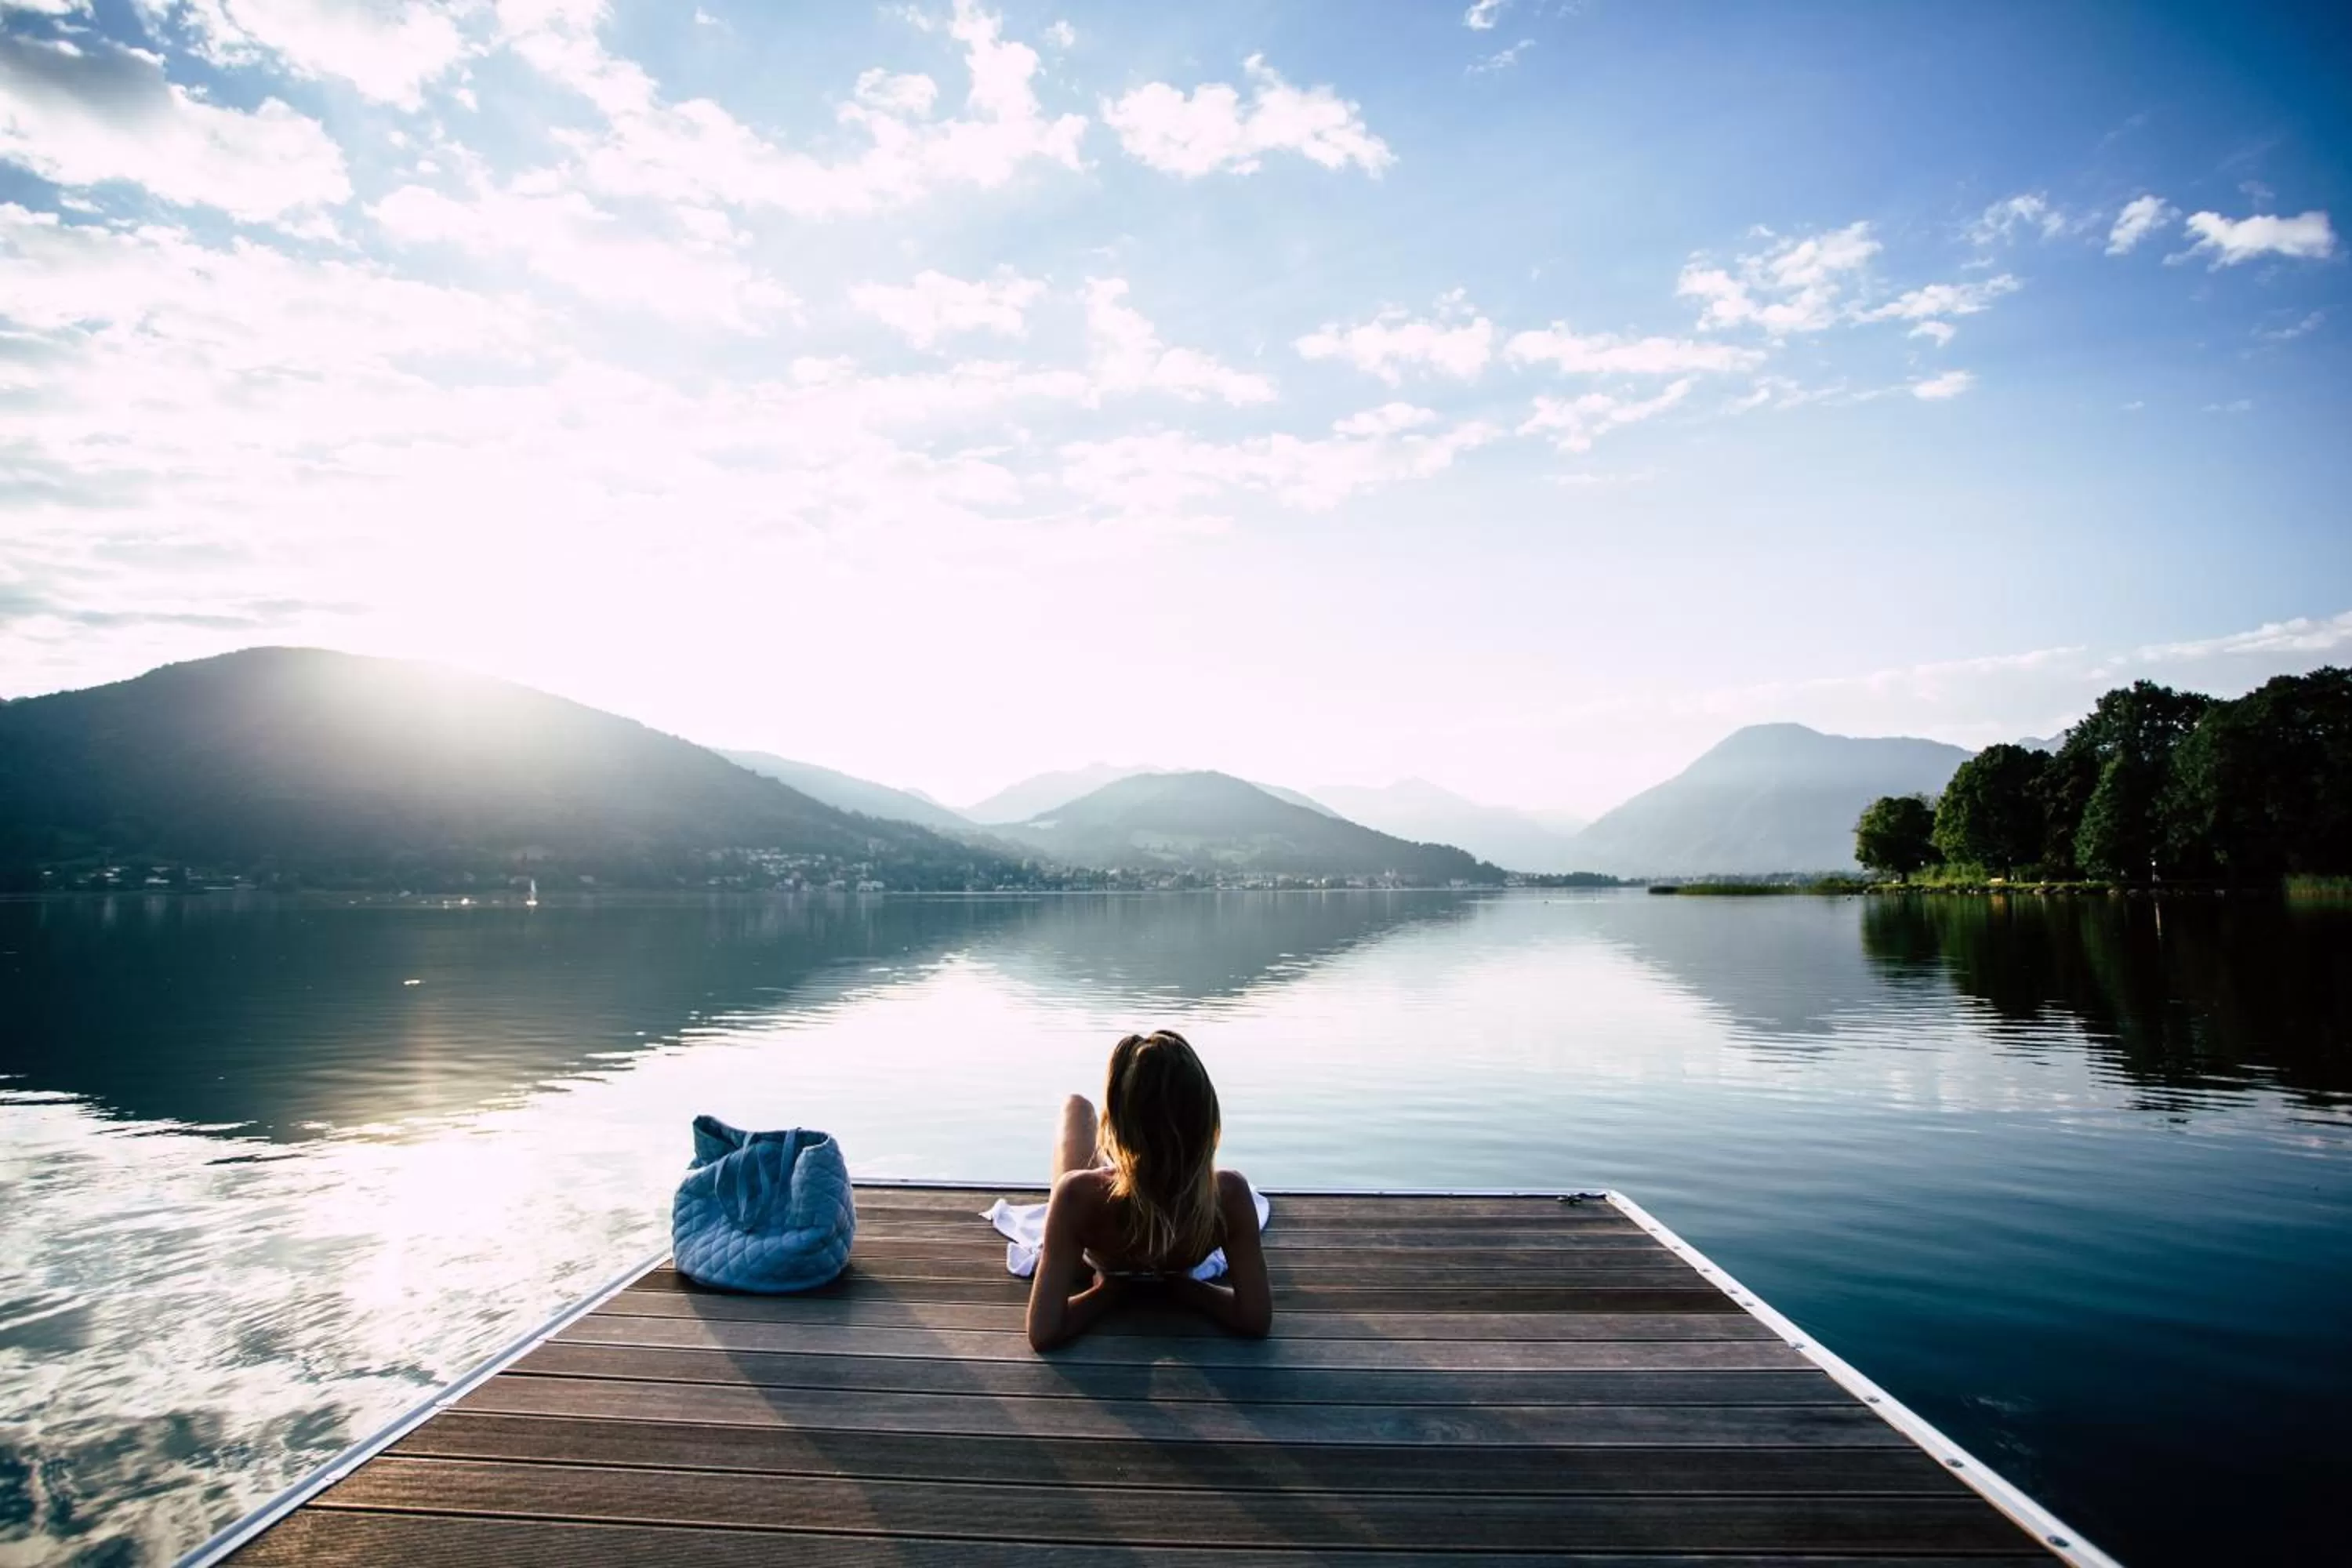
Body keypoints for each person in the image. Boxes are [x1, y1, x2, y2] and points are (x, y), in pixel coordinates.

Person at [1024, 1030, 1272, 1352]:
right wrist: (1185, 1288)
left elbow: (1043, 1332)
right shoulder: (1230, 1195)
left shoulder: (1077, 1196)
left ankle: (1119, 1147)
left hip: (1101, 1235)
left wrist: (1108, 1292)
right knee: (1160, 1162)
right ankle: (1142, 1153)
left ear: (1116, 1124)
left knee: (1076, 1106)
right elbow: (1255, 1319)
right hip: (1182, 1214)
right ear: (1208, 1118)